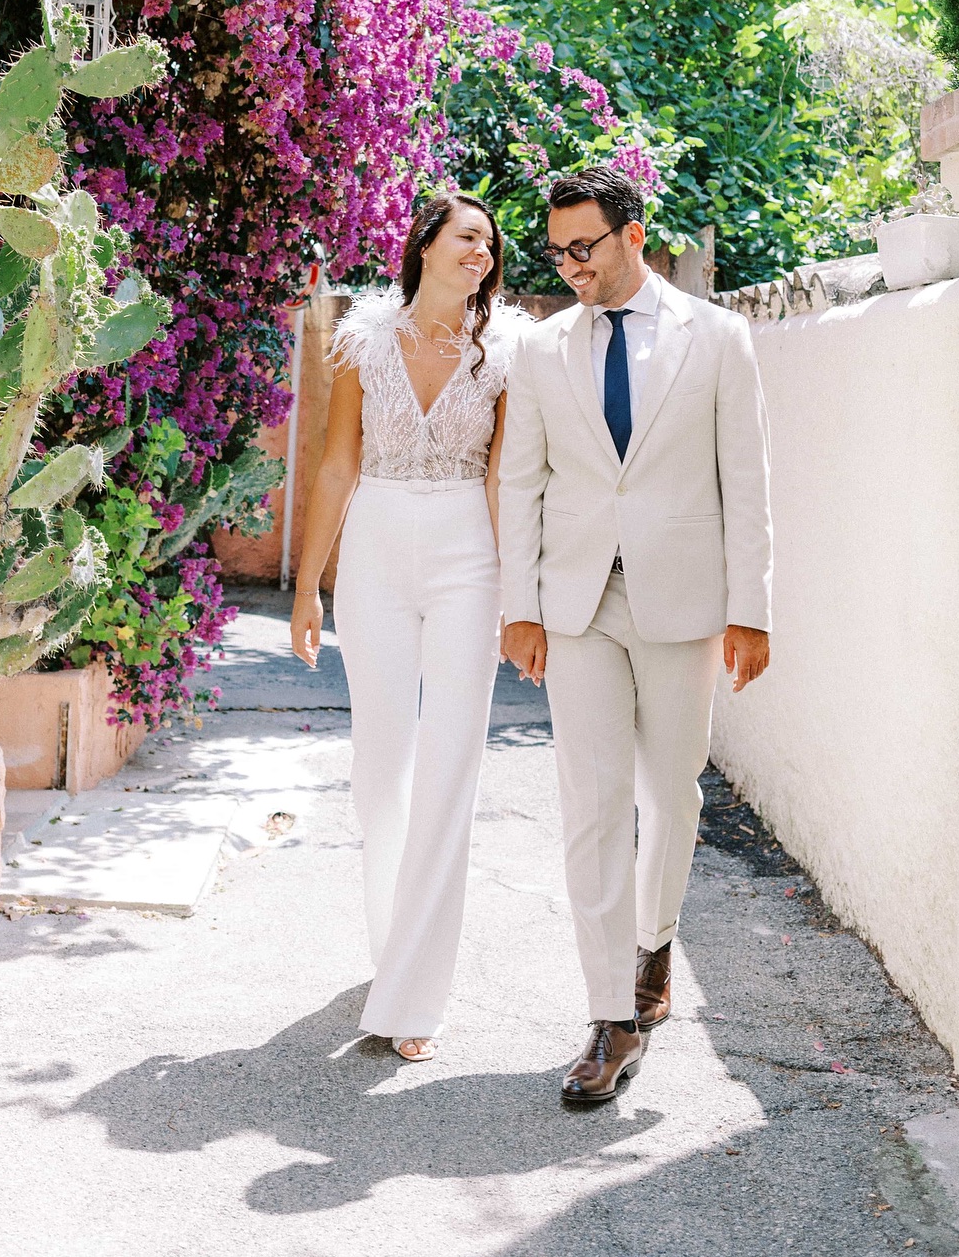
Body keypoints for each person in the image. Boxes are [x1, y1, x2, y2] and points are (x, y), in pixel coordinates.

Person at [500, 165, 773, 1106]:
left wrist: (753, 607)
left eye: (586, 246)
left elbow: (746, 476)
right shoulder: (540, 349)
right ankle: (612, 1012)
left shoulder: (718, 337)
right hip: (575, 602)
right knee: (593, 803)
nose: (570, 265)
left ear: (632, 233)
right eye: (557, 249)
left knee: (672, 794)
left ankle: (655, 941)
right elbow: (521, 481)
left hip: (683, 599)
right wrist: (519, 605)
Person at [290, 193, 526, 1063]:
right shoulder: (363, 340)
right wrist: (310, 584)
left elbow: (506, 478)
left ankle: (417, 990)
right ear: (425, 243)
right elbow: (338, 460)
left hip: (470, 549)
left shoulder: (505, 352)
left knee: (452, 763)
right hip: (378, 549)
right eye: (469, 235)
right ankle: (394, 945)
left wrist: (519, 595)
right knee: (380, 765)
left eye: (490, 244)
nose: (483, 252)